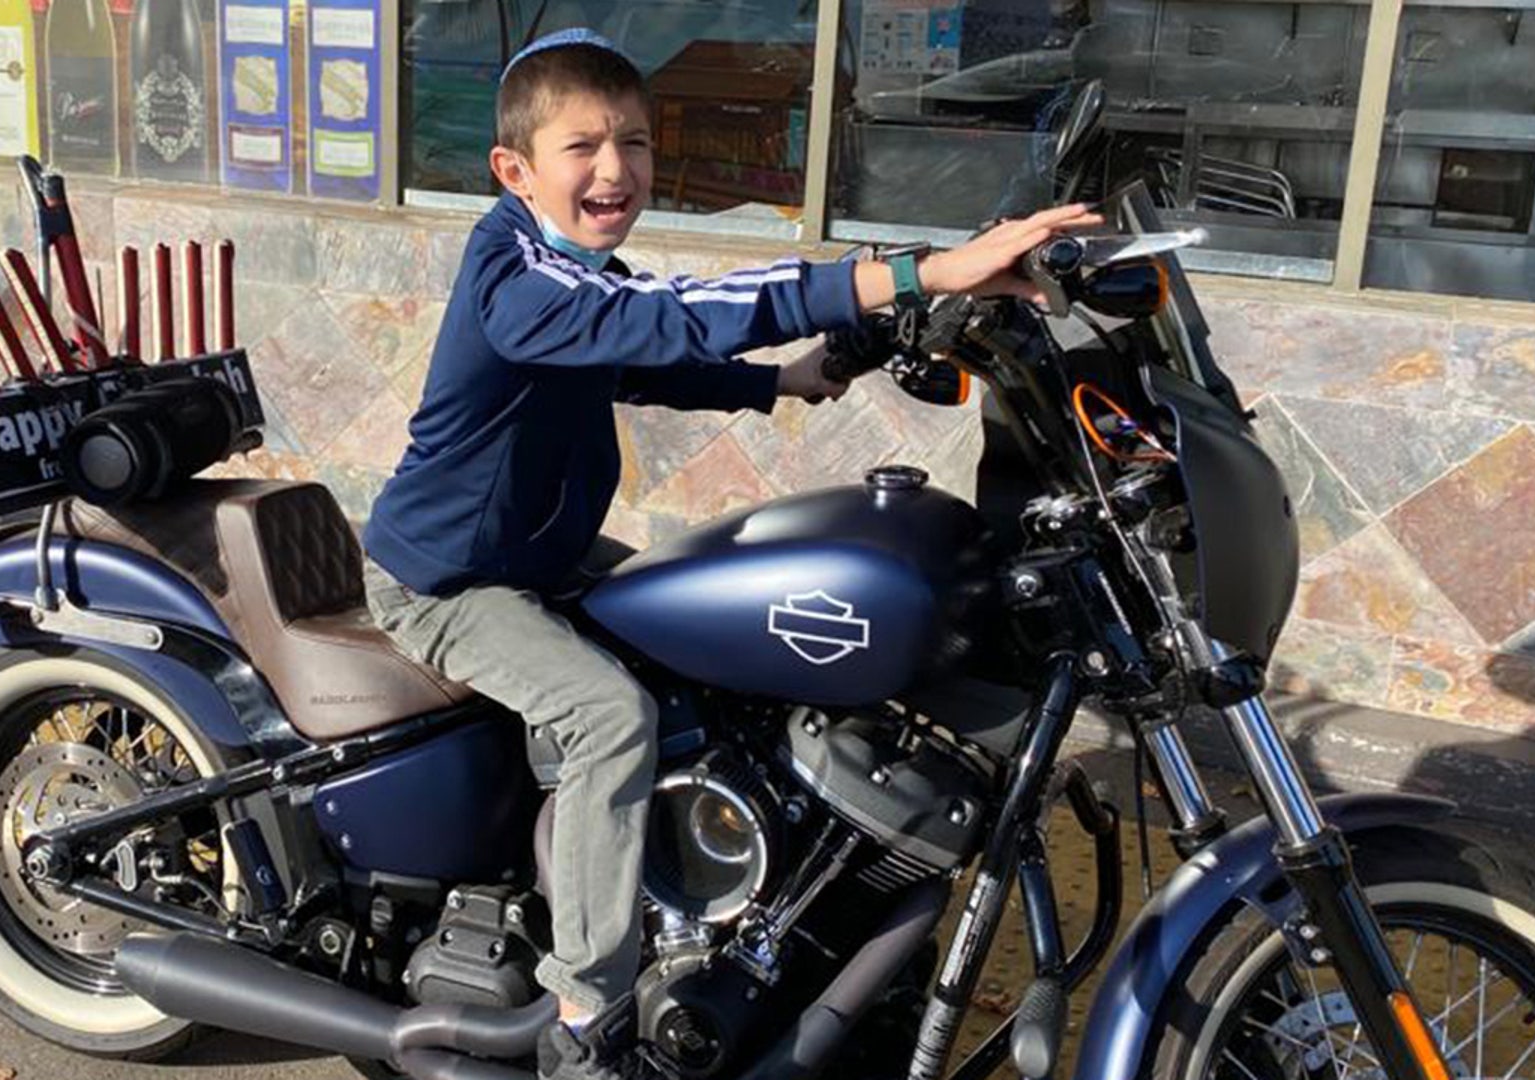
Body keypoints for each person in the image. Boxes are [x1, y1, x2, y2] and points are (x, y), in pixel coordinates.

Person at [360, 28, 1101, 1080]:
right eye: (583, 148)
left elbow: (631, 355)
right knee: (606, 713)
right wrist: (910, 272)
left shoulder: (569, 274)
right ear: (514, 172)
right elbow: (663, 321)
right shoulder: (514, 279)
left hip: (536, 553)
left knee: (705, 646)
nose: (615, 168)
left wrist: (781, 382)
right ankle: (584, 1009)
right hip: (448, 582)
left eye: (634, 142)